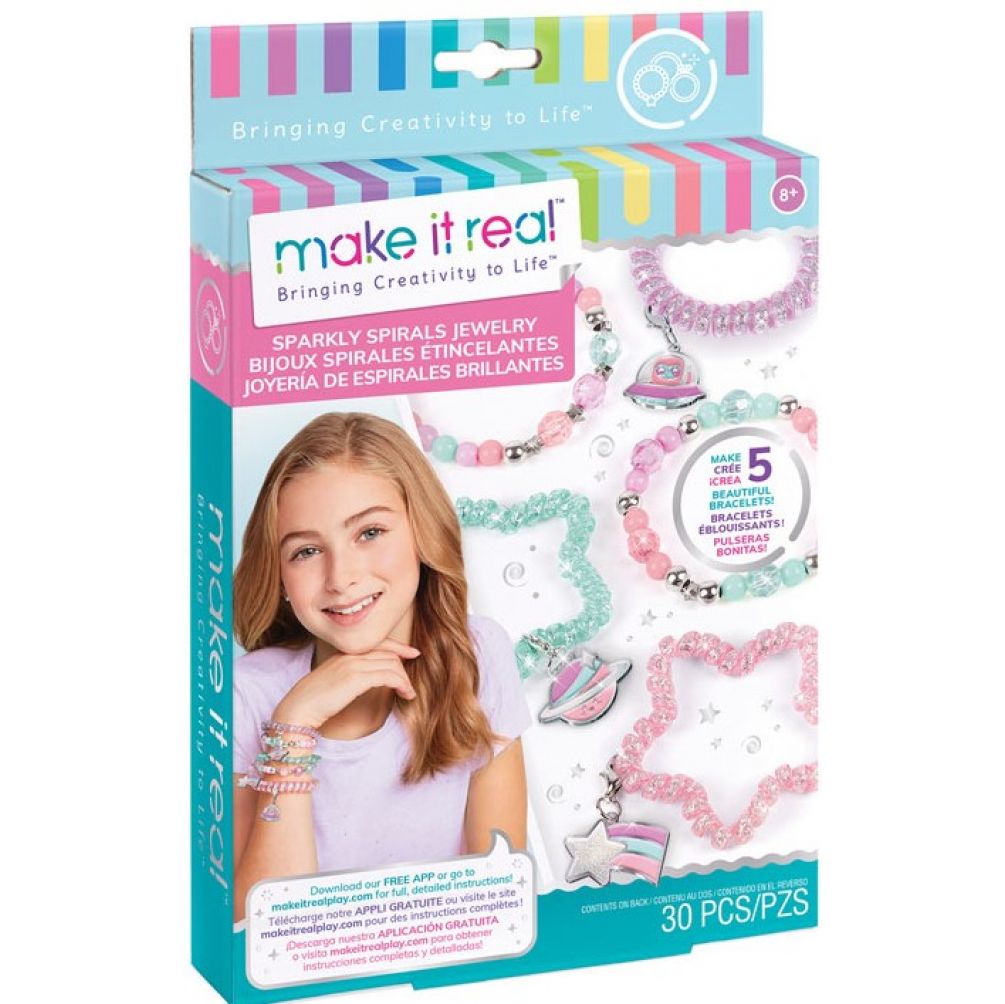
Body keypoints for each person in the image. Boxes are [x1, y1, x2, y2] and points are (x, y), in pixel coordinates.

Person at [231, 412, 529, 921]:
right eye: (306, 551)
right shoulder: (247, 694)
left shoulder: (478, 656)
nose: (341, 577)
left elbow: (501, 900)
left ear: (422, 533)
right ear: (279, 574)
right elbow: (261, 931)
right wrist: (292, 727)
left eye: (370, 532)